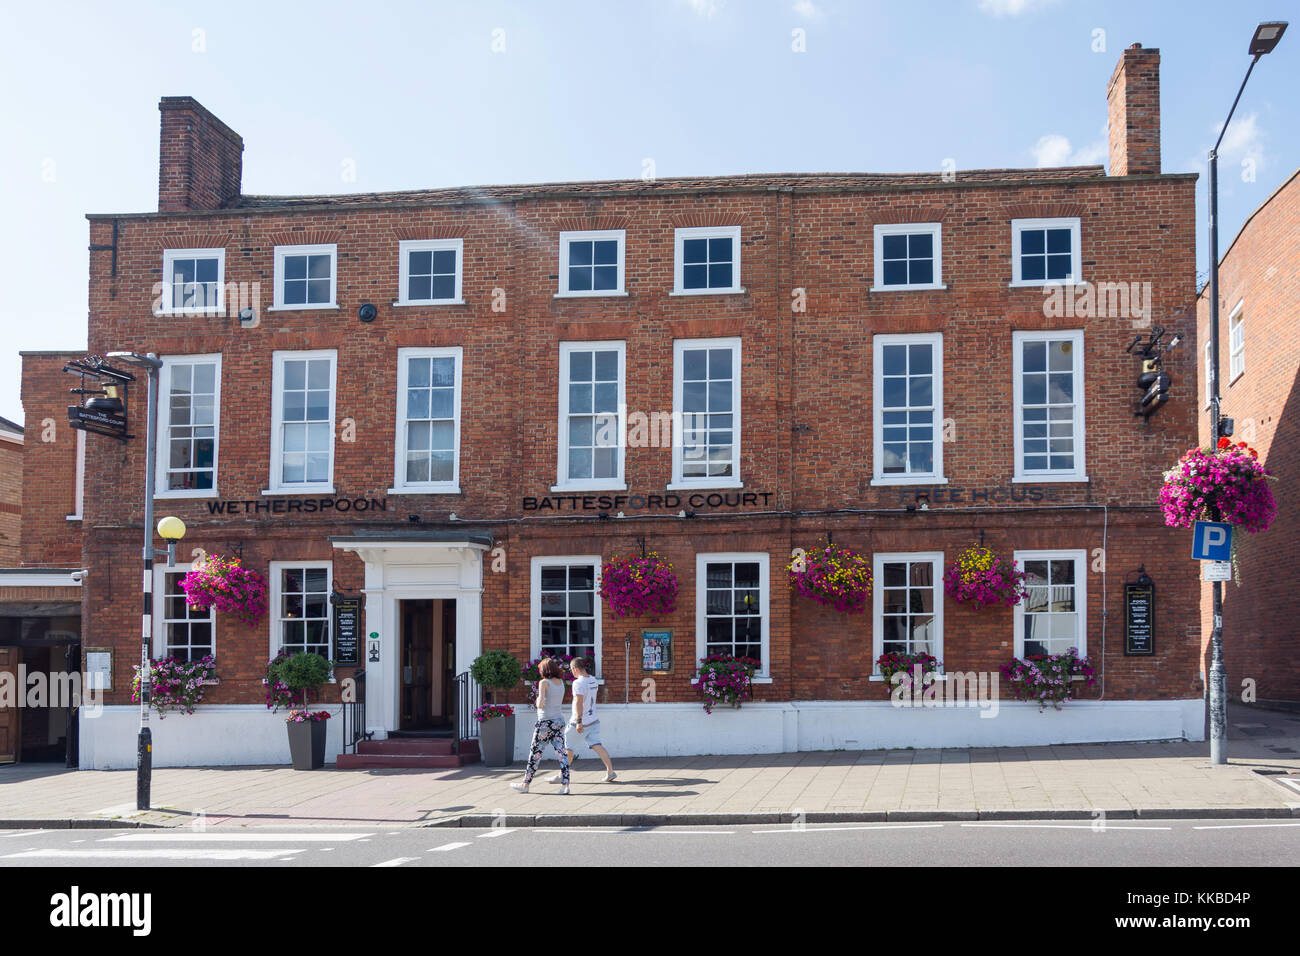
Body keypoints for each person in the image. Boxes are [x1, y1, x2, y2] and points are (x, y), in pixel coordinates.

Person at [550, 655, 616, 783]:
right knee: (598, 746)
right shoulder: (593, 680)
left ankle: (562, 776)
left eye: (571, 669)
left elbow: (578, 702)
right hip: (593, 720)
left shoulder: (578, 683)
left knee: (567, 748)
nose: (571, 672)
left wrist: (579, 721)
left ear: (575, 668)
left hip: (579, 723)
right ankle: (610, 771)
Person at [511, 657, 569, 794]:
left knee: (535, 754)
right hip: (558, 721)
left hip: (545, 723)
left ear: (544, 670)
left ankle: (525, 785)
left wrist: (537, 699)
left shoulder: (544, 682)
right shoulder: (561, 682)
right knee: (562, 754)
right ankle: (565, 786)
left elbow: (540, 704)